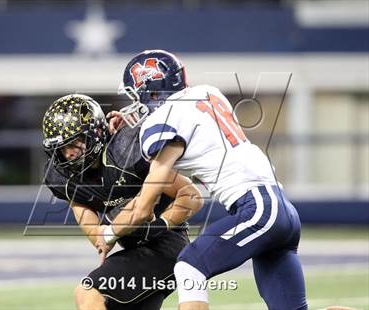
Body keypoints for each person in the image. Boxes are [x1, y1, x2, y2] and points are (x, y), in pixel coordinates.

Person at [96, 50, 308, 310]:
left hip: (258, 210)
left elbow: (143, 208)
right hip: (281, 209)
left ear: (152, 92)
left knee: (189, 267)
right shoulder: (208, 93)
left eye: (136, 96)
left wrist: (108, 234)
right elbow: (190, 132)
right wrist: (135, 129)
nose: (135, 105)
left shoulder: (165, 121)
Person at [42, 93, 203, 310]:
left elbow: (191, 196)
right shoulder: (63, 178)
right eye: (62, 149)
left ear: (95, 133)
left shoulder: (126, 152)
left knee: (88, 292)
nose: (69, 154)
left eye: (75, 143)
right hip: (136, 250)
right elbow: (95, 232)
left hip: (167, 245)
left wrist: (159, 224)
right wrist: (107, 232)